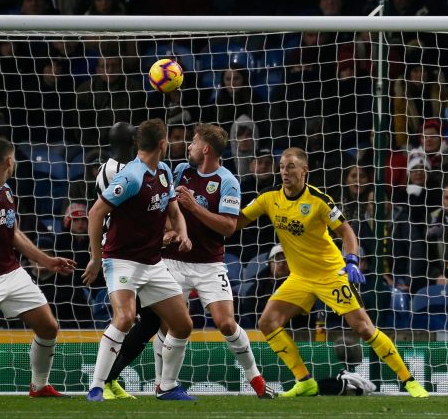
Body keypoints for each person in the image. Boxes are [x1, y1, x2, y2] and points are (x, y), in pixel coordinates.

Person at [236, 148, 428, 398]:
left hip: (330, 274)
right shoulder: (268, 199)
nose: (285, 171)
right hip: (300, 278)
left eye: (291, 166)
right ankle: (304, 381)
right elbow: (236, 222)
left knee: (363, 328)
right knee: (268, 322)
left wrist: (351, 261)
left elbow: (347, 232)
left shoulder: (319, 200)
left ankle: (409, 380)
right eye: (282, 166)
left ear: (304, 171)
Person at [102, 124, 276, 400]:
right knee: (164, 322)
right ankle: (163, 384)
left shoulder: (227, 181)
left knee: (226, 323)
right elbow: (166, 209)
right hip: (172, 261)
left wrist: (195, 207)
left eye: (193, 143)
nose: (189, 147)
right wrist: (169, 233)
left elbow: (229, 227)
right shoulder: (181, 170)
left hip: (209, 264)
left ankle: (255, 378)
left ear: (205, 149)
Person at [82, 119, 196, 401]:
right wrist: (96, 259)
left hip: (152, 263)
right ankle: (97, 386)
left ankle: (167, 387)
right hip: (122, 260)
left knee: (182, 324)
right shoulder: (131, 176)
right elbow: (96, 214)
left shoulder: (164, 171)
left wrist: (181, 233)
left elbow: (174, 210)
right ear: (162, 144)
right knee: (124, 318)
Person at [0, 136, 77, 397]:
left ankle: (39, 385)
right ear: (10, 160)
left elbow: (13, 233)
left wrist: (45, 260)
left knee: (48, 327)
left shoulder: (6, 191)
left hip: (11, 273)